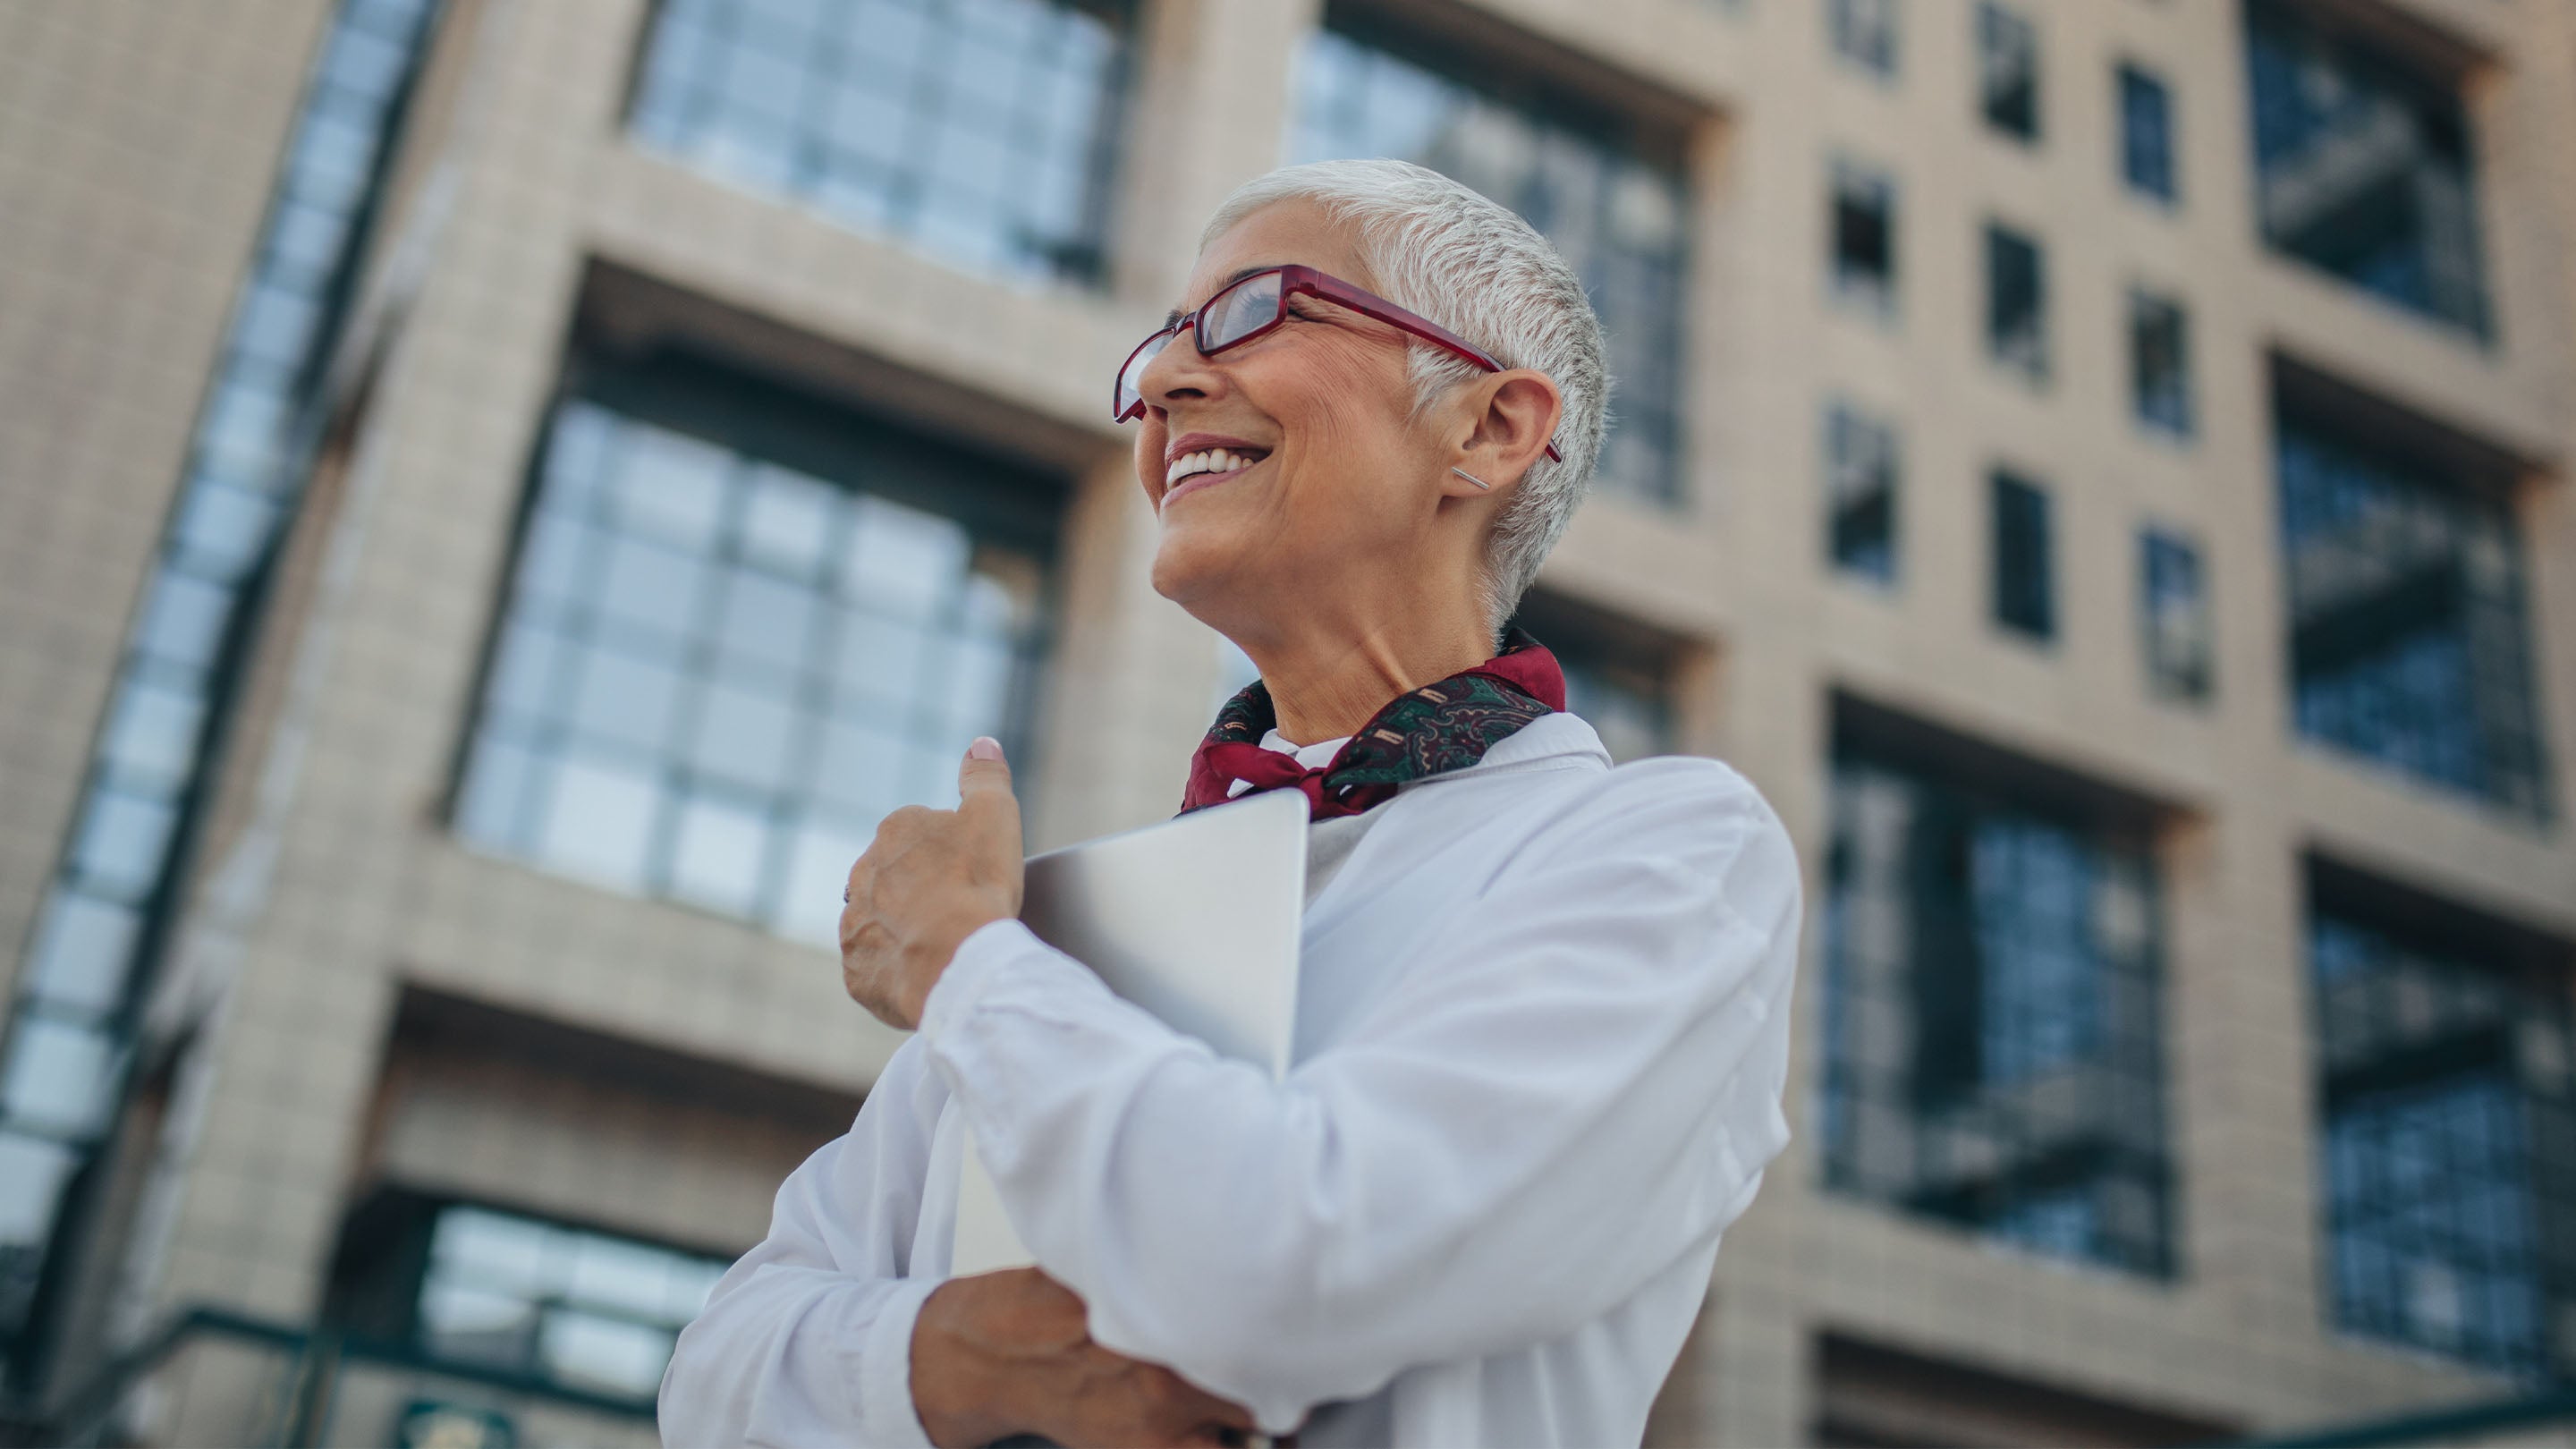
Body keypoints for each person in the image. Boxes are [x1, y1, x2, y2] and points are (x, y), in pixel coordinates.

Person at [657, 158, 1802, 1448]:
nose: (1160, 386)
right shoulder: (1057, 925)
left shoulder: (1669, 853)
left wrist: (963, 966)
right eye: (1163, 343)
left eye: (1258, 312)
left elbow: (1304, 1262)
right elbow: (717, 1375)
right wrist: (951, 1363)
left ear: (1488, 430)